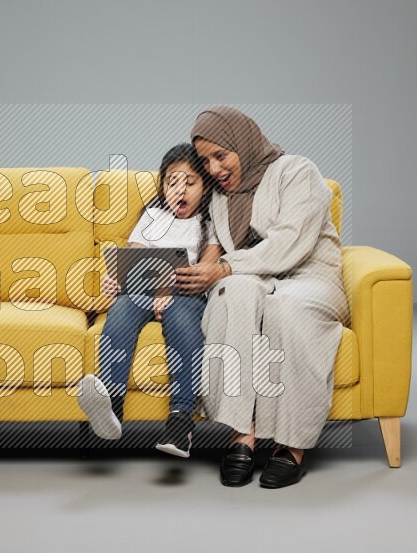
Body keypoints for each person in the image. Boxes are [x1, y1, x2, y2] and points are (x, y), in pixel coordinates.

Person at [175, 105, 350, 487]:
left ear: (245, 143)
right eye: (206, 161)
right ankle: (243, 433)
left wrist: (223, 267)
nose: (216, 169)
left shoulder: (297, 171)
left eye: (221, 155)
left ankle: (292, 446)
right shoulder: (221, 198)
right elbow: (220, 253)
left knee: (285, 308)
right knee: (231, 292)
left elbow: (291, 243)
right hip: (256, 277)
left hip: (308, 275)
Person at [77, 143, 223, 458]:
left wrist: (169, 288)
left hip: (185, 293)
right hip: (141, 291)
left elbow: (206, 270)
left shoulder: (209, 224)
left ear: (205, 186)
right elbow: (134, 257)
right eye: (172, 182)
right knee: (119, 314)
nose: (179, 190)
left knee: (184, 324)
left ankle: (181, 420)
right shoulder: (153, 215)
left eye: (190, 182)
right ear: (162, 185)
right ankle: (111, 406)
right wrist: (116, 279)